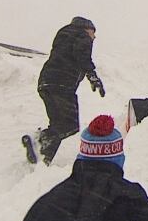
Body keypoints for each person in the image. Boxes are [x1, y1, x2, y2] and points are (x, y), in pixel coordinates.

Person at [30, 16, 105, 165]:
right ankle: (38, 141)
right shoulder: (82, 36)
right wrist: (93, 76)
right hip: (62, 86)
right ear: (86, 28)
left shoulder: (64, 36)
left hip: (46, 83)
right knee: (70, 125)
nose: (94, 36)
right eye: (93, 32)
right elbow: (83, 57)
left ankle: (42, 157)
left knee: (58, 124)